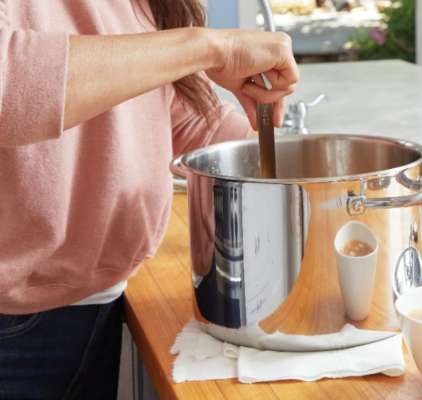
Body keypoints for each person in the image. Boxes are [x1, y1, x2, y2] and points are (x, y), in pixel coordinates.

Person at [0, 1, 299, 398]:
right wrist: (209, 47)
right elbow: (9, 85)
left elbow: (169, 108)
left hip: (93, 299)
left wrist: (291, 166)